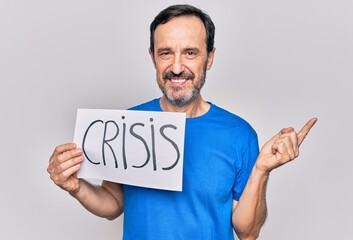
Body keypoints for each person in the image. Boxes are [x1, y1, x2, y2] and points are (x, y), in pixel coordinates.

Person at [47, 4, 317, 240]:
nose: (177, 67)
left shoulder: (239, 134)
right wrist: (77, 187)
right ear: (152, 57)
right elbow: (114, 202)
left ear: (209, 58)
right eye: (166, 53)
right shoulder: (128, 124)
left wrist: (261, 170)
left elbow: (248, 232)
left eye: (190, 52)